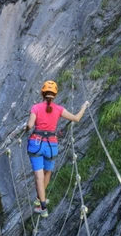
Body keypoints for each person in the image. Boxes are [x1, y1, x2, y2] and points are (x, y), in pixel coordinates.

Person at [26, 80, 89, 217]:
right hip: (51, 145)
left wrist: (26, 129)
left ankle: (42, 206)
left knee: (38, 176)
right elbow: (76, 118)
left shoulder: (36, 107)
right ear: (55, 95)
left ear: (42, 93)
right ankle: (40, 199)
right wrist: (84, 106)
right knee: (47, 172)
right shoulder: (59, 109)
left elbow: (30, 125)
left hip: (36, 143)